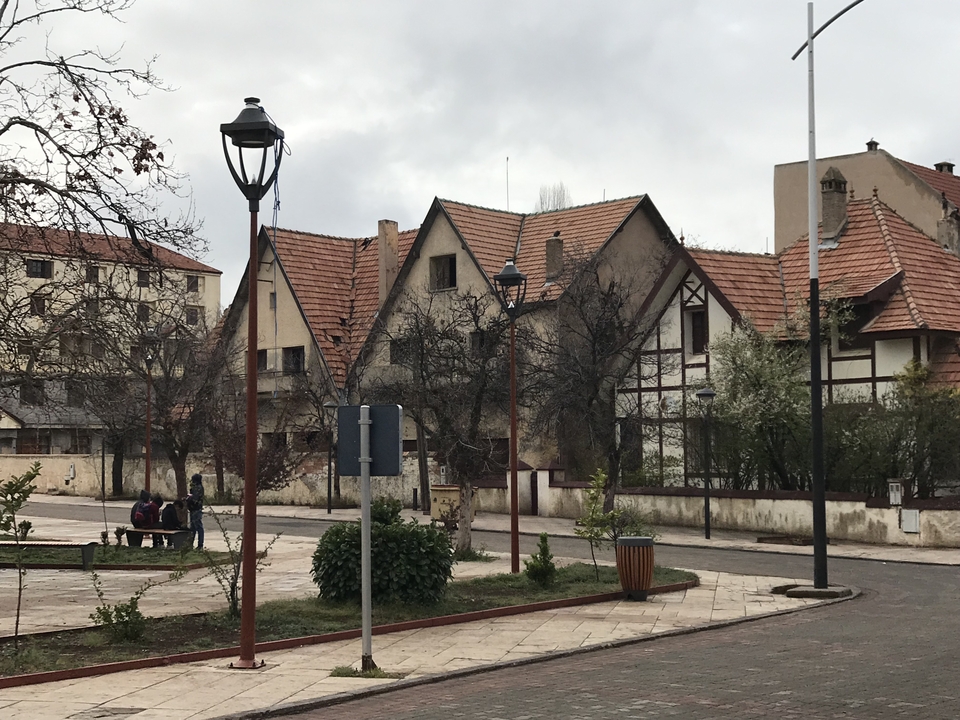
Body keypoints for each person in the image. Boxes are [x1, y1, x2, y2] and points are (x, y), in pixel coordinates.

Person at [187, 473, 205, 551]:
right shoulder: (196, 487)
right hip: (193, 509)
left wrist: (189, 498)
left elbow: (195, 499)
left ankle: (200, 545)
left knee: (198, 527)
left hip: (196, 509)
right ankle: (191, 543)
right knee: (193, 527)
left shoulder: (198, 488)